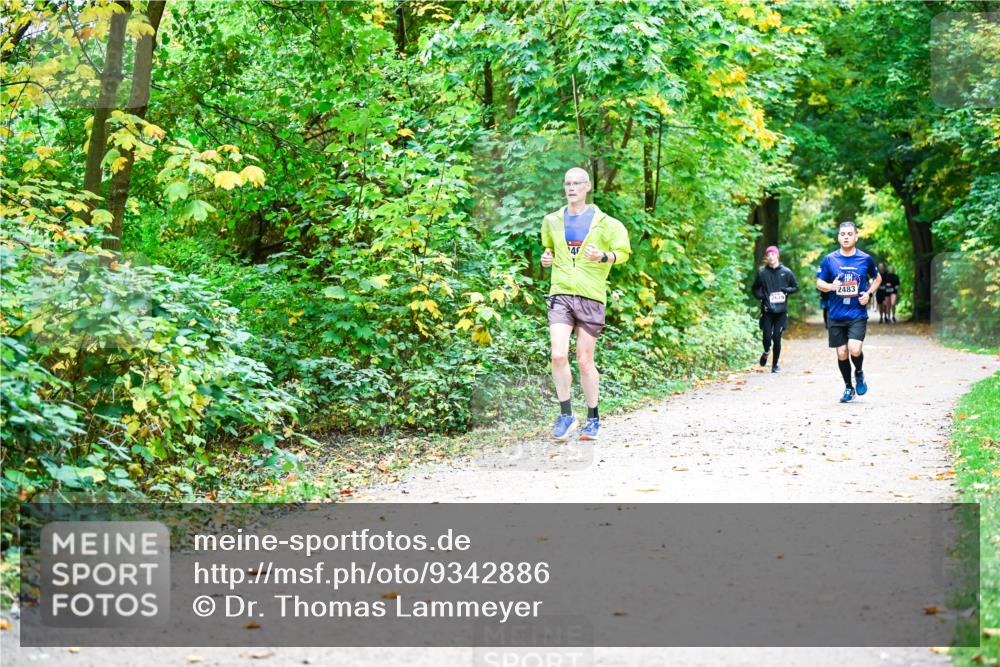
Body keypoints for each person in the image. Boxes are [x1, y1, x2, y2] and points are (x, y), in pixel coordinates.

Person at [540, 167, 631, 442]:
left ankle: (593, 418)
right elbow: (549, 249)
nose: (571, 187)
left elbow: (623, 253)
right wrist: (546, 258)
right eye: (567, 183)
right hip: (561, 293)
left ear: (587, 186)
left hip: (591, 295)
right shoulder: (552, 221)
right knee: (558, 355)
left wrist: (603, 256)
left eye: (577, 183)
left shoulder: (608, 224)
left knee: (584, 360)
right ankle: (566, 414)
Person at [816, 221, 882, 403]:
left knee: (854, 349)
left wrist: (868, 294)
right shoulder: (830, 259)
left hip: (857, 314)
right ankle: (848, 387)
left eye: (849, 234)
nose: (846, 237)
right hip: (836, 314)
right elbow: (819, 283)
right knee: (842, 353)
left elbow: (877, 278)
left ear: (856, 237)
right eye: (843, 234)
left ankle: (859, 372)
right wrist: (831, 286)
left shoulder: (865, 259)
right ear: (838, 237)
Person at [751, 245, 798, 373]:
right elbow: (755, 288)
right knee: (767, 337)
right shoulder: (762, 273)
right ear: (767, 257)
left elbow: (795, 287)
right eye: (768, 255)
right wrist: (762, 297)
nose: (771, 257)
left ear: (777, 255)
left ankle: (775, 365)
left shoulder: (786, 272)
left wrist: (787, 290)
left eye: (773, 254)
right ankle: (766, 351)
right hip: (767, 311)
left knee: (777, 337)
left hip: (781, 311)